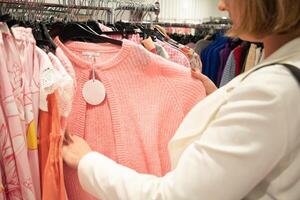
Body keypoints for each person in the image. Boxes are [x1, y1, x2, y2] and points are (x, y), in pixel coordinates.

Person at [62, 0, 300, 199]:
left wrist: (86, 161)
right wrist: (220, 98)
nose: (222, 5)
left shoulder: (271, 90)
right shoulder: (282, 78)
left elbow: (174, 196)